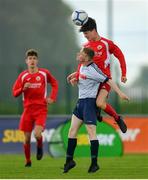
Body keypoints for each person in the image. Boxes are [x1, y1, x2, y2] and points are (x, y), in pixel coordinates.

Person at [63, 48, 129, 173]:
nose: (79, 54)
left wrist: (120, 93)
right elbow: (82, 78)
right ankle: (69, 161)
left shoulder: (93, 69)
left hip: (89, 103)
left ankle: (94, 164)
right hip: (80, 103)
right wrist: (74, 79)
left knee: (91, 134)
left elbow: (108, 80)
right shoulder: (81, 66)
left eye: (81, 53)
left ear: (87, 58)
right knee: (72, 131)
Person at [67, 17, 127, 133]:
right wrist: (77, 76)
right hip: (91, 83)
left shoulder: (106, 44)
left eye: (86, 33)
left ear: (94, 30)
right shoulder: (85, 46)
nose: (85, 35)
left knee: (99, 102)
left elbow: (120, 55)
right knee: (94, 103)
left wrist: (123, 73)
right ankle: (97, 111)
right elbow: (82, 64)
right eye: (83, 34)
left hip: (105, 80)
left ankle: (118, 118)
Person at [12, 49, 58, 167]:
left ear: (37, 61)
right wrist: (23, 88)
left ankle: (39, 146)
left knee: (37, 134)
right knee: (26, 139)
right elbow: (15, 93)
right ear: (26, 61)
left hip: (41, 109)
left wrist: (52, 97)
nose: (32, 61)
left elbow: (54, 83)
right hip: (27, 110)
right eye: (30, 59)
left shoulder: (43, 73)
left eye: (34, 58)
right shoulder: (23, 76)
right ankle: (28, 161)